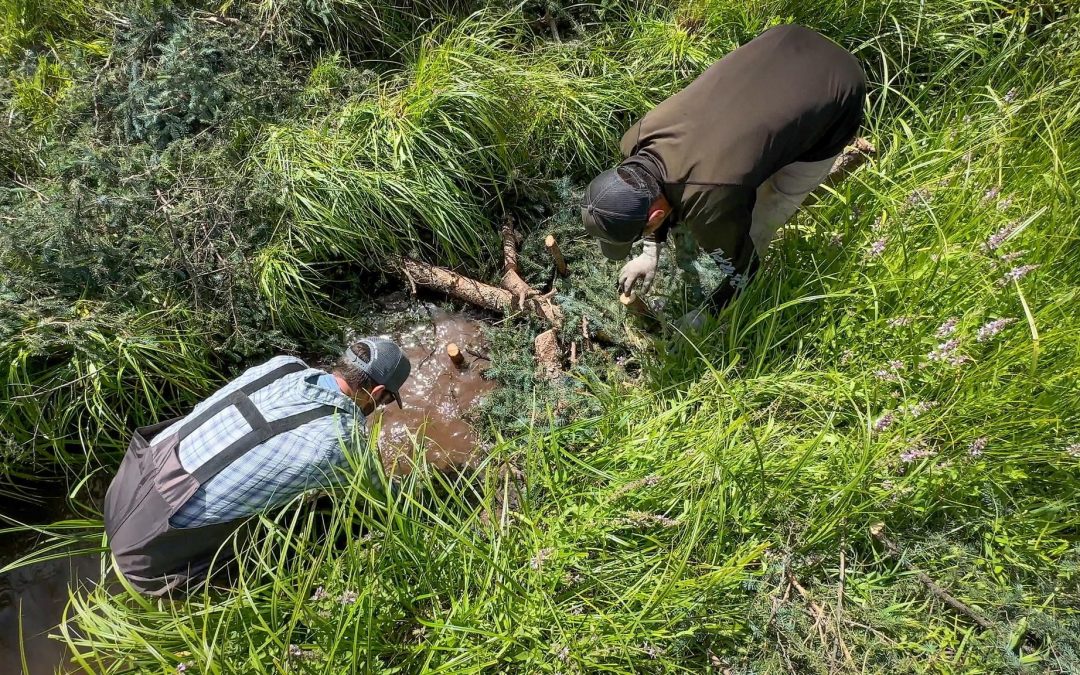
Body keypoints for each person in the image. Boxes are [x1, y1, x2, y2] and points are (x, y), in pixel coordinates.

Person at [581, 24, 866, 327]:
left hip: (840, 86)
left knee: (772, 205)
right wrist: (650, 252)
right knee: (745, 165)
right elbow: (652, 188)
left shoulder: (712, 201)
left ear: (654, 217)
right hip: (786, 40)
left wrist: (708, 314)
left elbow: (744, 270)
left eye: (644, 232)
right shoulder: (635, 139)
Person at [104, 338, 411, 596]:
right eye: (384, 402)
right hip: (152, 559)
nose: (378, 409)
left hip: (125, 488)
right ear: (376, 392)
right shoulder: (342, 438)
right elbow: (384, 496)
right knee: (339, 521)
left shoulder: (283, 366)